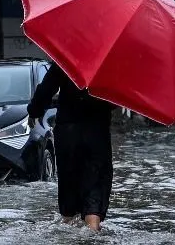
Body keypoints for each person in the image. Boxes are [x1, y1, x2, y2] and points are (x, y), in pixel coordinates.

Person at [27, 61, 115, 232]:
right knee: (95, 186)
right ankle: (92, 230)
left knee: (69, 185)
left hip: (68, 134)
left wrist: (34, 112)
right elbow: (117, 100)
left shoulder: (67, 58)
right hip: (97, 133)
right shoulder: (108, 63)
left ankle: (68, 227)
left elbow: (46, 88)